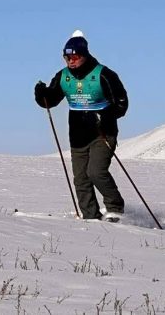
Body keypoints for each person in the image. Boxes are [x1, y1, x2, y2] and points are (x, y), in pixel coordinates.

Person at [34, 30, 129, 221]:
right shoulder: (63, 76)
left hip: (103, 133)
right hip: (78, 136)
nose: (71, 61)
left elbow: (121, 104)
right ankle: (90, 217)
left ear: (84, 55)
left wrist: (106, 115)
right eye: (67, 57)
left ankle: (115, 209)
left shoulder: (103, 74)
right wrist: (42, 95)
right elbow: (51, 101)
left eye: (75, 57)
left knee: (96, 172)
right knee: (81, 179)